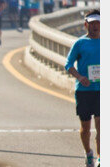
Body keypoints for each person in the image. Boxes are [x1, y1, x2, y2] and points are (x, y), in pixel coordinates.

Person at [65, 9, 100, 167]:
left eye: (97, 23)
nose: (95, 26)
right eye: (92, 23)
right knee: (85, 128)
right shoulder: (80, 43)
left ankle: (101, 158)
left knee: (101, 126)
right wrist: (80, 77)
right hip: (84, 91)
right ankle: (88, 153)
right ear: (86, 25)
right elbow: (68, 65)